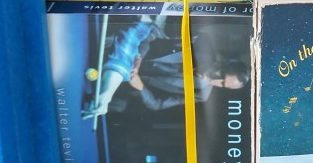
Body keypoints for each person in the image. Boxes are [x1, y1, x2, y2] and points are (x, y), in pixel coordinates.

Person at [82, 19, 249, 118]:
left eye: (222, 84)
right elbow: (153, 32)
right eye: (221, 75)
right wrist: (139, 56)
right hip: (135, 49)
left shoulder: (201, 94)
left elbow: (158, 105)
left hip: (127, 83)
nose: (215, 80)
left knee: (118, 106)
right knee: (137, 31)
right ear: (221, 63)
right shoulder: (201, 43)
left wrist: (141, 88)